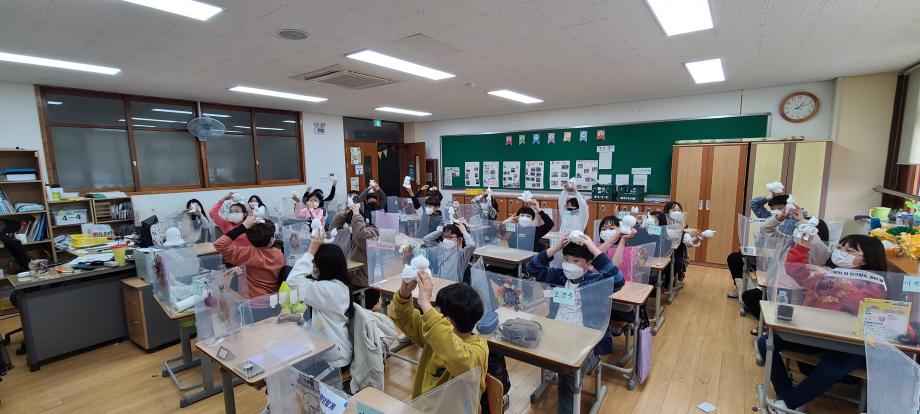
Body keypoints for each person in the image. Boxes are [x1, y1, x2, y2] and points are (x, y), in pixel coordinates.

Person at [758, 234, 886, 413]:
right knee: (765, 343)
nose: (841, 253)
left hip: (845, 342)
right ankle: (789, 398)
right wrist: (803, 245)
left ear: (866, 259)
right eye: (839, 248)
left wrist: (838, 282)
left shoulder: (875, 284)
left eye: (849, 251)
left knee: (832, 367)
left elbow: (863, 304)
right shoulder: (824, 273)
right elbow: (794, 269)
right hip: (812, 333)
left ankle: (789, 402)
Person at [525, 234, 622, 414]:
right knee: (524, 343)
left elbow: (618, 280)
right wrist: (556, 248)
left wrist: (593, 249)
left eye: (576, 261)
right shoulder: (559, 276)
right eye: (566, 259)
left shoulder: (596, 281)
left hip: (588, 344)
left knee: (567, 376)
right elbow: (532, 267)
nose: (569, 264)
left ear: (588, 263)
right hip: (556, 334)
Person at [389, 269, 488, 399]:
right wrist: (404, 293)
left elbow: (457, 358)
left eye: (437, 313)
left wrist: (425, 303)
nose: (434, 315)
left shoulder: (479, 350)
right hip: (421, 407)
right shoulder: (435, 335)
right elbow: (405, 319)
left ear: (447, 321)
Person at [741, 207, 829, 330]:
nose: (801, 233)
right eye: (799, 229)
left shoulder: (819, 250)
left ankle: (773, 329)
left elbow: (815, 243)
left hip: (797, 295)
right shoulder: (788, 241)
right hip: (776, 287)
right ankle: (767, 326)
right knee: (750, 297)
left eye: (805, 230)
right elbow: (765, 229)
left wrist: (803, 222)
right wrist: (779, 217)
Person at [286, 230, 353, 369]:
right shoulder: (338, 286)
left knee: (286, 368)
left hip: (334, 360)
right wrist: (298, 319)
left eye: (316, 265)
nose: (313, 269)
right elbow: (323, 319)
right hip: (333, 352)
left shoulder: (328, 289)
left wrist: (311, 251)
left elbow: (292, 281)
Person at [726, 193, 791, 298]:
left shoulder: (791, 222)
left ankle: (761, 292)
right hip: (761, 256)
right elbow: (754, 204)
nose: (776, 211)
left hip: (777, 262)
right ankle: (739, 287)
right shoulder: (767, 217)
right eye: (773, 209)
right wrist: (770, 197)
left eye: (780, 208)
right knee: (734, 258)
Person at [213, 215, 284, 298]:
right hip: (274, 300)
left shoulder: (248, 254)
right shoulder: (279, 254)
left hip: (253, 301)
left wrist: (243, 226)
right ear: (271, 240)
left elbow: (219, 244)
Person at [330, 203, 380, 309]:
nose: (349, 227)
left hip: (362, 282)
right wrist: (342, 215)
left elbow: (362, 237)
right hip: (347, 278)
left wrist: (356, 215)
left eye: (351, 223)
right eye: (348, 224)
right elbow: (332, 230)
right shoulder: (346, 232)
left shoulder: (372, 231)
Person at [595, 215, 638, 280]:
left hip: (620, 284)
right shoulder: (596, 246)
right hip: (598, 283)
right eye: (603, 229)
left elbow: (614, 266)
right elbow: (595, 256)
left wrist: (623, 238)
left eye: (611, 228)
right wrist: (618, 235)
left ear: (619, 228)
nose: (607, 231)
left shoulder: (629, 250)